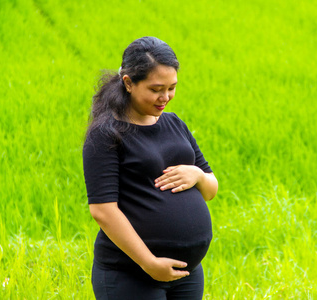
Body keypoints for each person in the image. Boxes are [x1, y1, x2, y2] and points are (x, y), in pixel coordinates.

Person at [82, 36, 218, 299]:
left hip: (187, 274)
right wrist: (149, 263)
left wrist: (198, 175)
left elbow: (211, 190)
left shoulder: (174, 123)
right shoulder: (106, 134)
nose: (165, 97)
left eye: (172, 87)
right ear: (129, 83)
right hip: (131, 273)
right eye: (156, 89)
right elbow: (103, 211)